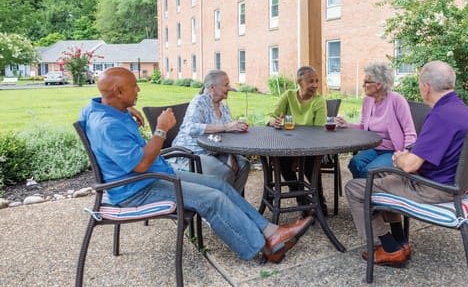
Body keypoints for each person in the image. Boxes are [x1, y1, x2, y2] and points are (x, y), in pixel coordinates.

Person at [80, 67, 313, 263]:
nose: (138, 89)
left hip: (156, 175)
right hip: (138, 188)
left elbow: (89, 109)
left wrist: (124, 107)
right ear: (118, 91)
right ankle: (264, 247)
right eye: (134, 86)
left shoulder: (100, 109)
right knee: (212, 198)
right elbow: (141, 164)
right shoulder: (108, 126)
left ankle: (272, 232)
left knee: (218, 185)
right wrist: (161, 129)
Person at [345, 60, 468, 267]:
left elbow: (409, 166)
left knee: (355, 188)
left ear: (426, 87)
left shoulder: (441, 116)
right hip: (450, 183)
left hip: (433, 188)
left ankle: (391, 248)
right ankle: (400, 240)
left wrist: (399, 157)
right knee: (383, 179)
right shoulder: (463, 110)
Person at [172, 70, 249, 194]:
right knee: (224, 172)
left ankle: (232, 205)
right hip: (191, 154)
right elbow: (190, 127)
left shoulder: (223, 107)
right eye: (226, 84)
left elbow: (227, 134)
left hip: (213, 152)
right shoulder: (199, 102)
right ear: (212, 87)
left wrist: (231, 156)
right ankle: (222, 207)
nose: (229, 88)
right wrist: (225, 127)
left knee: (243, 164)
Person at [335, 62, 416, 178]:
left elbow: (410, 132)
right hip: (373, 147)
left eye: (366, 82)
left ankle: (366, 193)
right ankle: (366, 192)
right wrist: (348, 125)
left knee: (369, 171)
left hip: (393, 151)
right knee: (355, 163)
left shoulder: (397, 100)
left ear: (378, 85)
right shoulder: (367, 100)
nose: (363, 85)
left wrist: (405, 155)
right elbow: (364, 127)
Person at [267, 66, 328, 214]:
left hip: (312, 146)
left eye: (316, 81)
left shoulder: (319, 101)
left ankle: (319, 201)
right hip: (289, 144)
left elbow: (318, 131)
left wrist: (298, 154)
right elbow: (271, 115)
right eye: (310, 81)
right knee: (281, 162)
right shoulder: (288, 96)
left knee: (310, 165)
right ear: (299, 82)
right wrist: (272, 121)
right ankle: (302, 200)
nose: (315, 85)